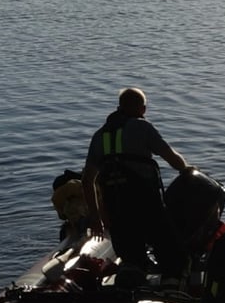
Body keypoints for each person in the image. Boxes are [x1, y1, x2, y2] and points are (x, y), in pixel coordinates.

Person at [82, 87, 193, 289]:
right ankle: (172, 289)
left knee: (131, 259)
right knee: (173, 255)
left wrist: (96, 217)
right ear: (141, 108)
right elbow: (173, 159)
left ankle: (130, 292)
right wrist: (187, 169)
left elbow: (87, 180)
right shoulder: (142, 128)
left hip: (115, 206)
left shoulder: (99, 136)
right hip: (146, 202)